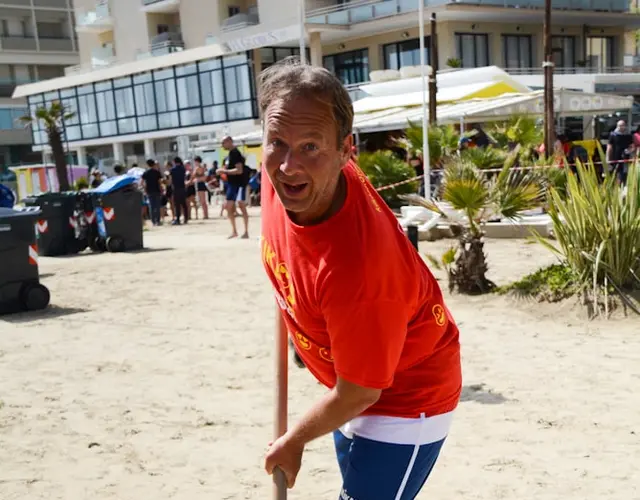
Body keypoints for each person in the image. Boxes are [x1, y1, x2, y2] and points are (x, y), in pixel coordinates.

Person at [260, 61, 461, 499]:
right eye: (277, 143)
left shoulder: (361, 269)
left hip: (405, 401)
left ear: (345, 150)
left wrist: (293, 440)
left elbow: (361, 392)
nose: (289, 166)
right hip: (347, 380)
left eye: (311, 147)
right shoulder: (280, 171)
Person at [218, 136, 250, 238]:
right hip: (232, 185)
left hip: (239, 184)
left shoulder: (235, 153)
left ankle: (245, 231)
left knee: (241, 206)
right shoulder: (230, 154)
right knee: (228, 206)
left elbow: (239, 170)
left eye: (223, 143)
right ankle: (234, 231)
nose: (222, 145)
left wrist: (223, 171)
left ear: (229, 142)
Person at [606, 120, 633, 185]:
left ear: (625, 126)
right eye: (619, 126)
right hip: (615, 159)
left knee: (625, 175)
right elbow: (609, 147)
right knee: (616, 175)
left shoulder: (628, 135)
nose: (621, 127)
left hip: (625, 159)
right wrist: (608, 159)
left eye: (622, 125)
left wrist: (629, 150)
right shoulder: (613, 135)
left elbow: (632, 146)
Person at [142, 159, 163, 226]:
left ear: (147, 165)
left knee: (151, 206)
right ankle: (158, 221)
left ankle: (153, 221)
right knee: (157, 206)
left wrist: (145, 189)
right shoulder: (157, 172)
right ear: (154, 164)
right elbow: (159, 182)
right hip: (157, 190)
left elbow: (142, 182)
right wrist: (161, 190)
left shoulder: (146, 173)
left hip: (149, 191)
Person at [170, 157, 188, 225]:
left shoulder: (173, 169)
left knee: (177, 205)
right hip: (182, 187)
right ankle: (186, 218)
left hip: (176, 188)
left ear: (174, 162)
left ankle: (178, 219)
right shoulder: (183, 169)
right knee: (184, 204)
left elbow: (171, 180)